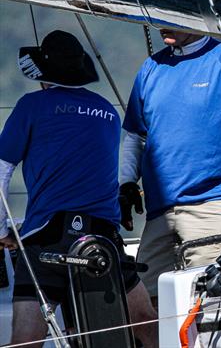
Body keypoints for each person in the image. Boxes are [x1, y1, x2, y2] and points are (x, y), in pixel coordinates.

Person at [0, 30, 156, 347]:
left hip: (47, 237)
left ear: (43, 72)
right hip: (103, 239)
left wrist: (1, 229)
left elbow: (2, 167)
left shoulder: (31, 106)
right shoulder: (107, 112)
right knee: (147, 324)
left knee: (25, 339)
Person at [120, 29, 221, 298]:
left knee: (211, 305)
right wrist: (125, 184)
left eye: (168, 17)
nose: (161, 25)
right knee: (145, 306)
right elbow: (135, 134)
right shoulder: (151, 67)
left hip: (213, 205)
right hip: (160, 212)